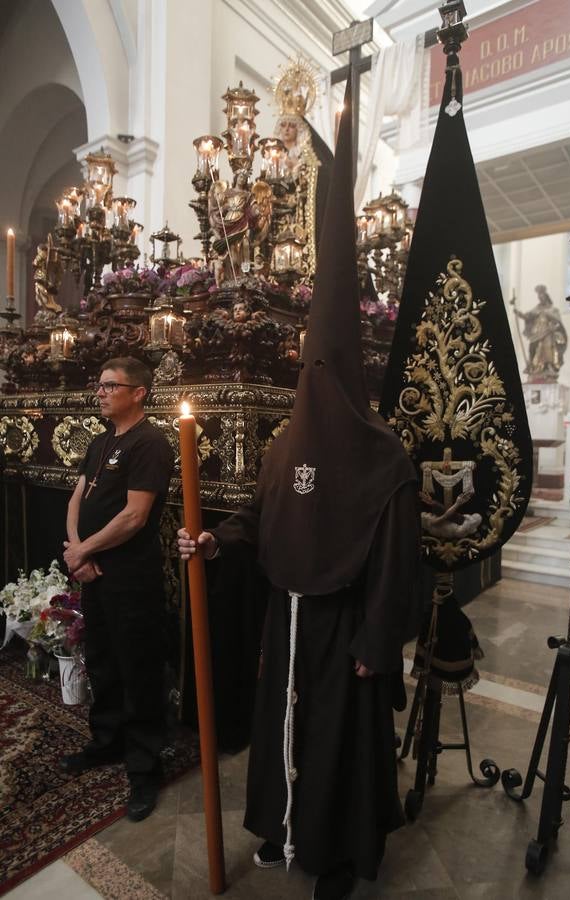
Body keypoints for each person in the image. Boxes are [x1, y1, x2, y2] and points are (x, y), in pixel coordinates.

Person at [179, 80, 421, 900]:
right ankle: (283, 830)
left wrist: (376, 647)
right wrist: (218, 538)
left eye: (326, 369)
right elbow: (264, 511)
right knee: (283, 730)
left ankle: (342, 853)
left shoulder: (384, 456)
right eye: (306, 369)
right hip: (288, 616)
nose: (313, 379)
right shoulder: (286, 441)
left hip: (345, 625)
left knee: (339, 741)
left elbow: (394, 565)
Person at [61, 356, 174, 822]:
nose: (101, 392)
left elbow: (134, 516)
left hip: (130, 578)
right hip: (94, 572)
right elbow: (78, 496)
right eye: (100, 385)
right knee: (104, 661)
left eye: (111, 386)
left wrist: (84, 550)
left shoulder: (150, 443)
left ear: (138, 392)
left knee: (138, 668)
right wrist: (77, 551)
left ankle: (146, 766)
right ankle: (106, 742)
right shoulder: (101, 441)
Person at [512, 284, 567, 380]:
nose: (540, 299)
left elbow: (558, 323)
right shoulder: (536, 309)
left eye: (542, 296)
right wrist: (517, 311)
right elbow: (527, 316)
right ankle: (532, 368)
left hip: (548, 333)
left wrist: (553, 327)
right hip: (537, 333)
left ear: (546, 297)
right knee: (532, 348)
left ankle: (550, 367)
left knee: (548, 348)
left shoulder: (553, 309)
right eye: (539, 297)